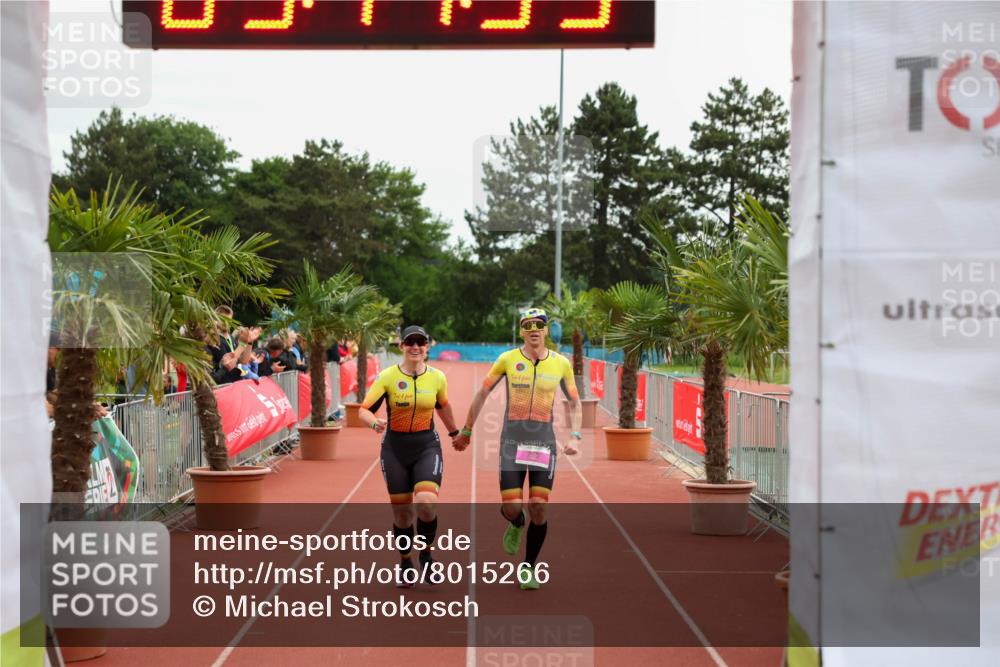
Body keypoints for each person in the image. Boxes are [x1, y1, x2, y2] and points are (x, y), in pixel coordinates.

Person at [453, 308, 582, 590]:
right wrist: (467, 429)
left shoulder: (560, 363)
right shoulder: (508, 359)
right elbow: (483, 393)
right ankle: (516, 522)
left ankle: (528, 567)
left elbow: (574, 402)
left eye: (539, 325)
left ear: (546, 330)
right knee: (512, 507)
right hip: (512, 443)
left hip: (543, 442)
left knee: (539, 506)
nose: (534, 329)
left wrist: (574, 436)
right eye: (528, 325)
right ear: (522, 330)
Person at [358, 325, 460, 587]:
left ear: (427, 347)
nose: (415, 347)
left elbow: (443, 407)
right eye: (410, 342)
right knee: (403, 515)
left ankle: (426, 554)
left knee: (426, 503)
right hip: (395, 449)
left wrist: (455, 434)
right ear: (402, 346)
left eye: (420, 342)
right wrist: (374, 422)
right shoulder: (388, 376)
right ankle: (405, 562)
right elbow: (364, 410)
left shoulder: (437, 377)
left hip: (426, 446)